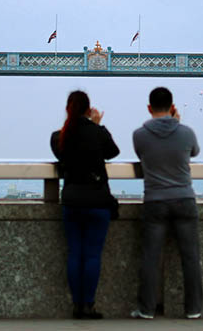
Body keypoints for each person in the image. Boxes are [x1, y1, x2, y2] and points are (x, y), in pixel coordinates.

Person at [131, 86, 203, 319]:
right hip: (184, 198)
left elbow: (142, 155)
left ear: (149, 108)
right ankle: (193, 309)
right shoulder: (187, 133)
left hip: (155, 200)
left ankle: (147, 309)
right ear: (172, 108)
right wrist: (177, 123)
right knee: (190, 257)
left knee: (151, 257)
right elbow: (194, 152)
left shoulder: (139, 135)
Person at [50, 90, 119, 319]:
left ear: (68, 109)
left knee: (75, 253)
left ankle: (76, 306)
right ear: (89, 110)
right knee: (92, 255)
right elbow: (113, 152)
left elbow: (61, 153)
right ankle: (88, 305)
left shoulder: (59, 136)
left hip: (72, 200)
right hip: (98, 201)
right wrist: (97, 125)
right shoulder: (96, 133)